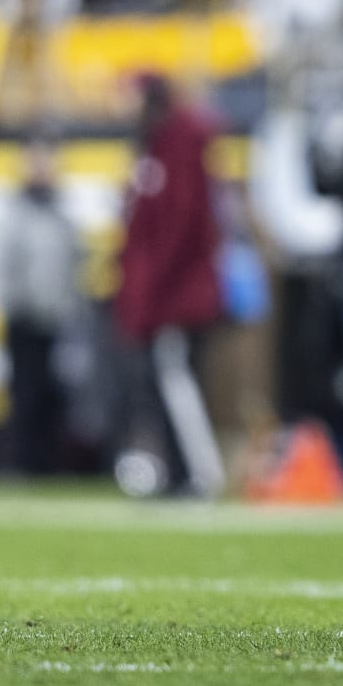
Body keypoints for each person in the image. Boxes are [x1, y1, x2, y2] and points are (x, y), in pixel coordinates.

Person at [113, 73, 227, 497]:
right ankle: (176, 473)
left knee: (178, 383)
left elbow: (180, 229)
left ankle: (199, 475)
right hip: (159, 295)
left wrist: (152, 290)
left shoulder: (180, 146)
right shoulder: (153, 148)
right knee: (163, 385)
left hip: (177, 295)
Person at [0, 139, 83, 475]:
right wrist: (11, 305)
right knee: (23, 394)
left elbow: (74, 266)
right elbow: (1, 266)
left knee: (53, 396)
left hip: (56, 318)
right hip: (24, 318)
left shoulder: (61, 213)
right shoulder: (14, 212)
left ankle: (48, 464)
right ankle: (19, 463)